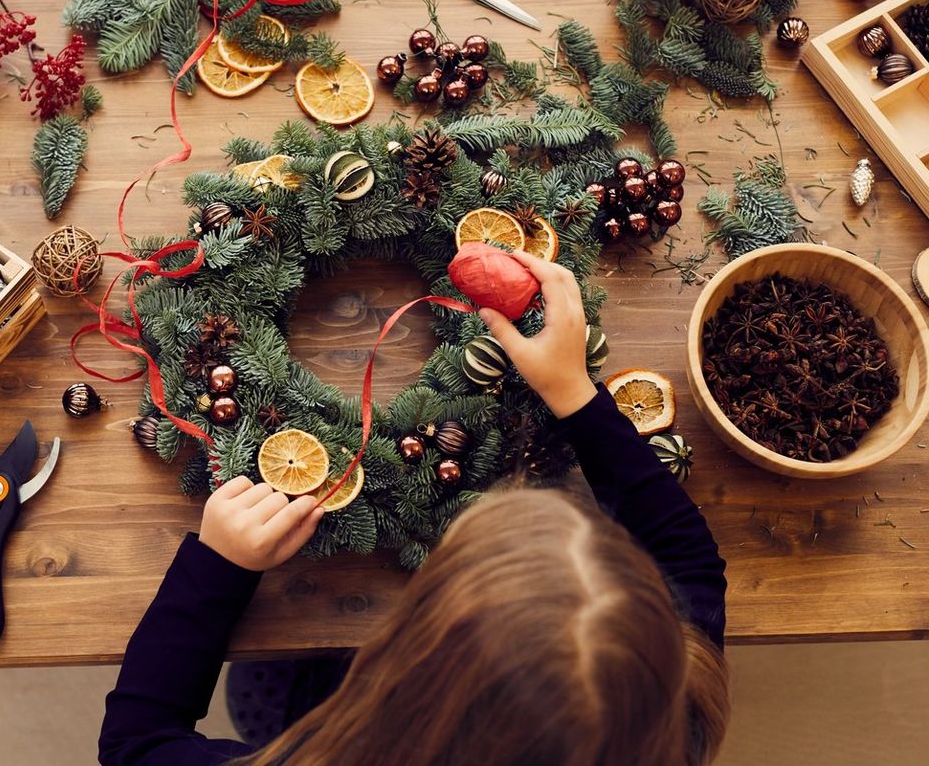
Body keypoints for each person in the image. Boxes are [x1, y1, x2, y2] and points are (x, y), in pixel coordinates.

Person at [99, 252, 730, 766]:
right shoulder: (677, 711)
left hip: (332, 725)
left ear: (412, 667)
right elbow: (690, 560)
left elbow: (137, 742)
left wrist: (218, 568)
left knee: (268, 687)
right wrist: (573, 393)